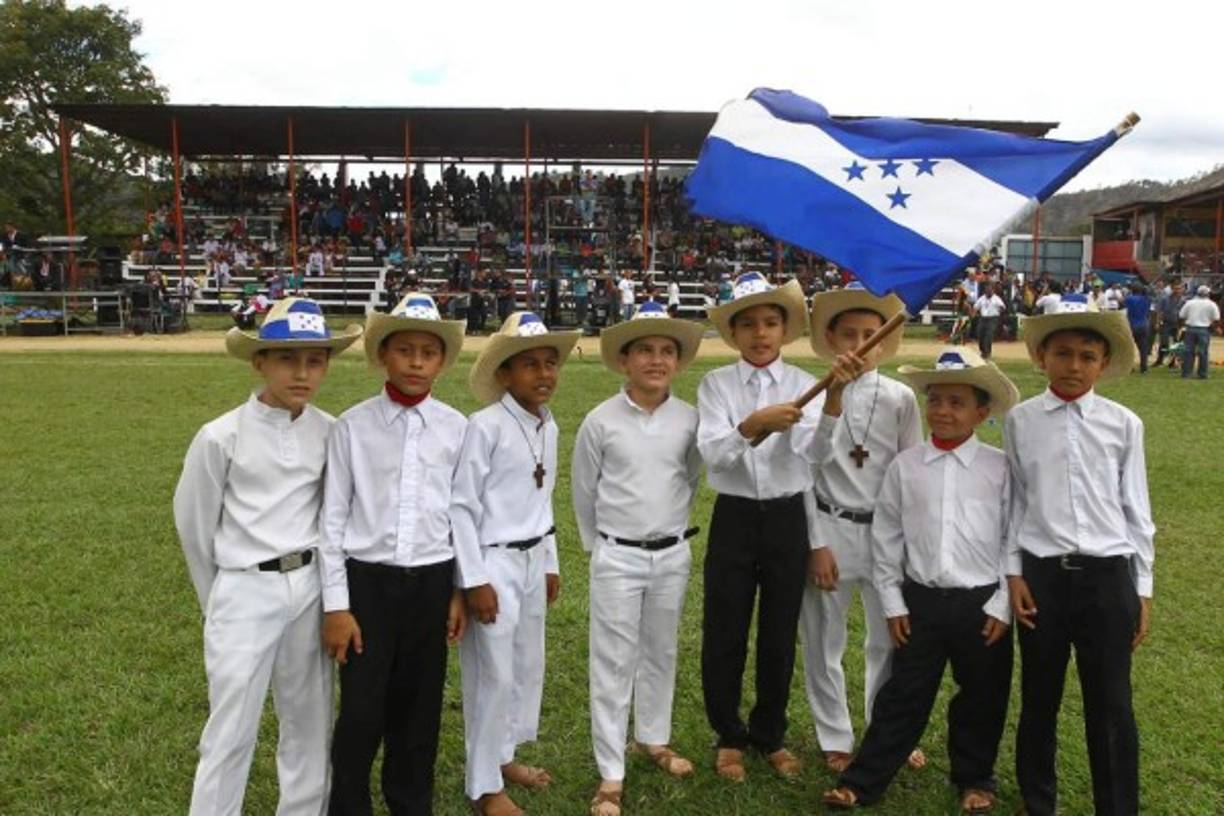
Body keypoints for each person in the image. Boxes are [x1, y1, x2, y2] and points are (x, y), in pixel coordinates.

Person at [173, 297, 362, 816]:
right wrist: (220, 600)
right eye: (287, 359)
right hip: (243, 587)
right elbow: (194, 524)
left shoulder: (329, 431)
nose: (302, 373)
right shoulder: (221, 436)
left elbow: (334, 518)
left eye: (315, 360)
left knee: (309, 720)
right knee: (231, 725)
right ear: (259, 362)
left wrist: (329, 598)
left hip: (309, 586)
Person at [823, 346, 1020, 813]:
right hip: (921, 603)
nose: (943, 412)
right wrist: (893, 602)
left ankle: (976, 780)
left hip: (982, 604)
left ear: (981, 410)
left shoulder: (999, 467)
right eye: (936, 401)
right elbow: (888, 536)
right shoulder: (905, 466)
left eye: (957, 403)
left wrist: (1001, 603)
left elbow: (1014, 534)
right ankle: (862, 782)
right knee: (903, 695)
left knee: (981, 696)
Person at [696, 272, 863, 783]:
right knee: (725, 629)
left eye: (771, 322)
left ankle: (769, 735)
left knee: (777, 632)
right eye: (748, 324)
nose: (760, 333)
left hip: (788, 516)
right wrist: (752, 426)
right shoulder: (716, 385)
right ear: (733, 334)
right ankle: (729, 735)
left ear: (786, 329)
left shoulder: (801, 385)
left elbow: (813, 455)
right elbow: (713, 458)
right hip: (736, 516)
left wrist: (831, 402)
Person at [320, 293, 482, 814]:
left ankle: (410, 803)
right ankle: (348, 805)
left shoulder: (458, 428)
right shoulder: (352, 427)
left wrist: (457, 590)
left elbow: (462, 515)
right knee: (362, 711)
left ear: (442, 361)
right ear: (382, 356)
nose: (416, 362)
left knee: (419, 710)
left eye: (428, 353)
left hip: (431, 584)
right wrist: (337, 606)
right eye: (404, 350)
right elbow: (333, 522)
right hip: (368, 584)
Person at [1008, 294, 1153, 815]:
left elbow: (1137, 509)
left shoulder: (1123, 424)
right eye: (1063, 353)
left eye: (1087, 356)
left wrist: (1142, 588)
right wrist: (1014, 573)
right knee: (1039, 696)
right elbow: (1017, 501)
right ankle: (1037, 799)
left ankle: (1116, 806)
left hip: (1107, 577)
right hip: (1043, 578)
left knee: (1111, 702)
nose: (1074, 366)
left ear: (1103, 363)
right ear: (1042, 357)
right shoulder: (1021, 421)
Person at [572, 302, 706, 816]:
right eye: (645, 351)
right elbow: (585, 491)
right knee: (612, 660)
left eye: (667, 351)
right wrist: (600, 549)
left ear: (678, 361)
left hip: (672, 552)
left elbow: (690, 477)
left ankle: (653, 737)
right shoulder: (600, 421)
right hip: (617, 555)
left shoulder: (689, 419)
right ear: (624, 361)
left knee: (661, 650)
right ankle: (611, 771)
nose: (656, 360)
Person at [452, 312, 581, 816]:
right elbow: (461, 507)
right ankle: (484, 787)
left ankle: (502, 756)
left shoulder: (549, 425)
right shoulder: (483, 427)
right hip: (493, 563)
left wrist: (549, 560)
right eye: (530, 364)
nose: (545, 373)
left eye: (551, 363)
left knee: (527, 665)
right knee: (492, 674)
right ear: (505, 373)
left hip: (531, 560)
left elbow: (541, 499)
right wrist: (474, 578)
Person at [800, 284, 924, 774]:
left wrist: (908, 543)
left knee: (888, 638)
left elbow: (913, 470)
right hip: (831, 526)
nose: (860, 344)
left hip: (885, 534)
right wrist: (815, 543)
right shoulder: (812, 396)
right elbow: (806, 469)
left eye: (870, 335)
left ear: (884, 340)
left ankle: (884, 728)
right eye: (849, 334)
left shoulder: (900, 398)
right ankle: (834, 735)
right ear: (831, 338)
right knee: (824, 638)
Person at [1178, 284, 1220, 379]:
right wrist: (1212, 328)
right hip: (1204, 329)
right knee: (1203, 352)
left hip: (1190, 329)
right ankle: (1202, 374)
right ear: (1208, 294)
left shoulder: (1189, 303)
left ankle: (1186, 373)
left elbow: (1181, 316)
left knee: (1188, 352)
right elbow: (1216, 318)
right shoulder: (1211, 304)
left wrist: (1181, 326)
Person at [1123, 282, 1153, 373]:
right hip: (1144, 325)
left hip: (1132, 324)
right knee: (1143, 348)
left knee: (1130, 347)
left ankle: (1129, 367)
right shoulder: (1147, 299)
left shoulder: (1129, 299)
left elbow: (1123, 305)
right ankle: (1144, 368)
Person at [1153, 281, 1186, 366]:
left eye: (1179, 288)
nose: (1177, 290)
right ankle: (1159, 360)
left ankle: (1173, 362)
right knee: (1164, 342)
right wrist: (1157, 323)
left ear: (1182, 289)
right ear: (1172, 288)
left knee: (1177, 344)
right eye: (1175, 288)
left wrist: (1184, 325)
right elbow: (1159, 311)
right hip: (1166, 323)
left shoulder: (1183, 300)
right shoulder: (1165, 298)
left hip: (1178, 324)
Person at [972, 282, 1007, 360]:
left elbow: (1003, 307)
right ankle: (983, 351)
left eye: (990, 290)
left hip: (992, 319)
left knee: (989, 335)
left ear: (992, 290)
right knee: (980, 334)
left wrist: (1000, 310)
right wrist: (973, 314)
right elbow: (975, 307)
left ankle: (987, 353)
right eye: (987, 290)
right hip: (983, 318)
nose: (988, 291)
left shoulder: (996, 298)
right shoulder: (981, 298)